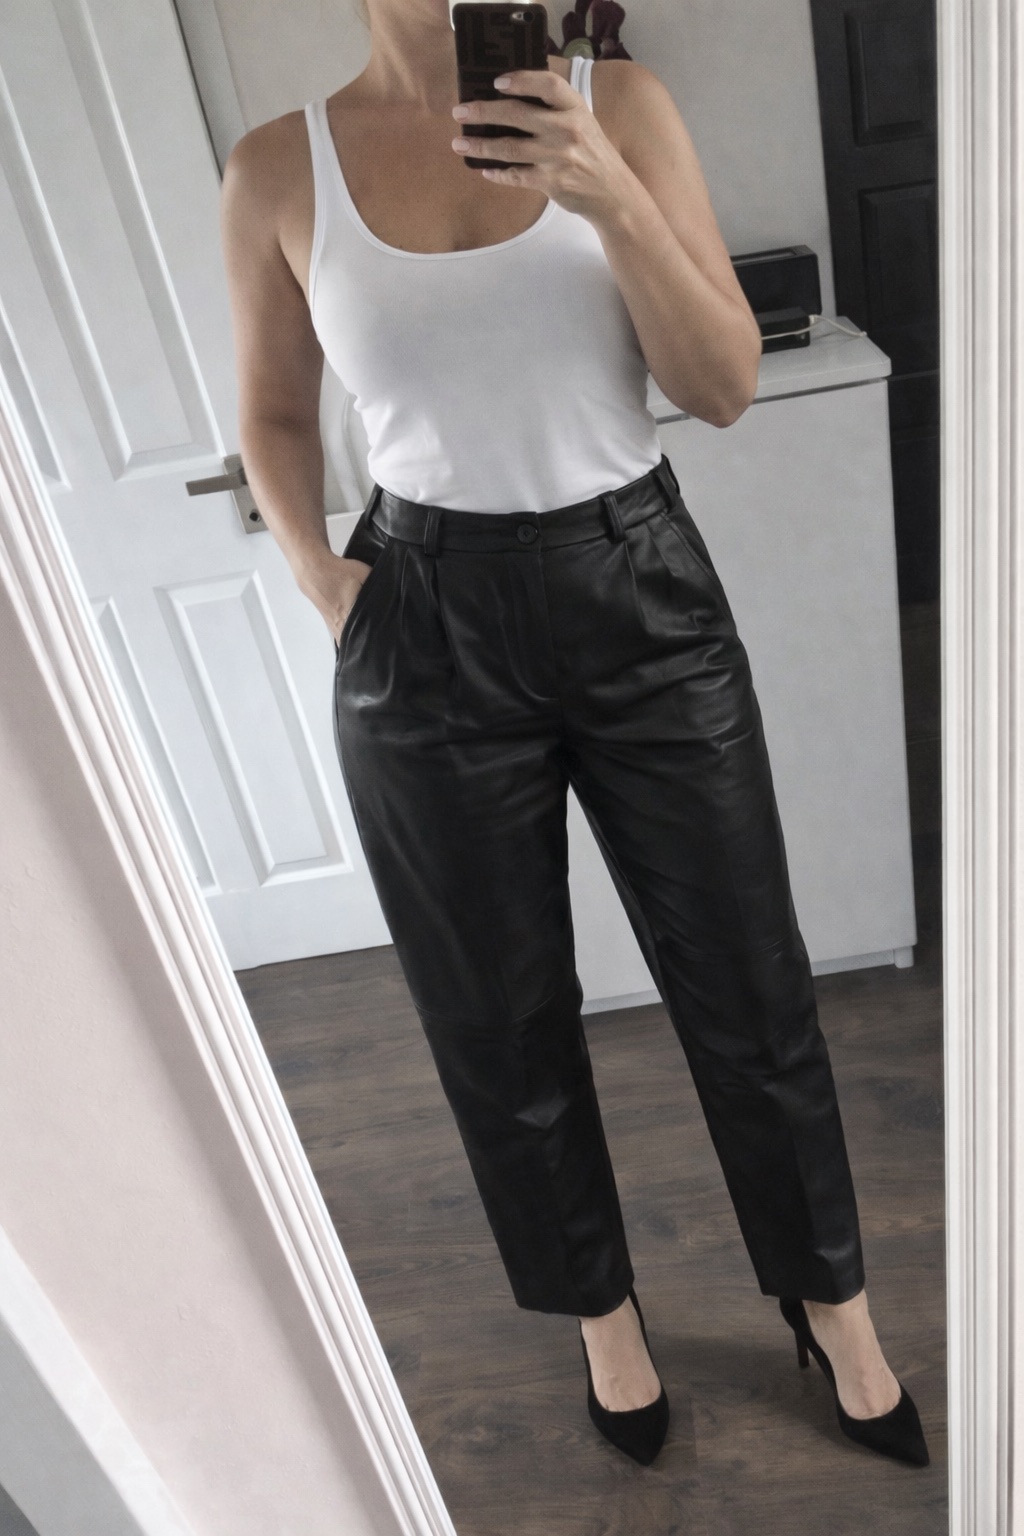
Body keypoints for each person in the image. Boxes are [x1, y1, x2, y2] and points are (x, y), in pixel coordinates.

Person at [219, 0, 929, 1470]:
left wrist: (605, 191)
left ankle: (831, 1300)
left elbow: (721, 387)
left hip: (638, 589)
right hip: (422, 619)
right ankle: (601, 1314)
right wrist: (324, 582)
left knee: (749, 983)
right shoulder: (280, 169)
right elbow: (275, 417)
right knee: (498, 1016)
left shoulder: (624, 105)